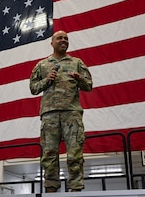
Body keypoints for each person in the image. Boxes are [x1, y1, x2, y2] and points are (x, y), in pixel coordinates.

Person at [29, 30, 93, 193]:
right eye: (59, 38)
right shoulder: (42, 65)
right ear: (52, 43)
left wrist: (79, 79)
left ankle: (76, 189)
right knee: (49, 154)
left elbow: (89, 86)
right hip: (49, 115)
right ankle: (51, 188)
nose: (63, 40)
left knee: (74, 154)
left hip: (72, 114)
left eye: (66, 38)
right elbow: (33, 89)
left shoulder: (77, 62)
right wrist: (46, 80)